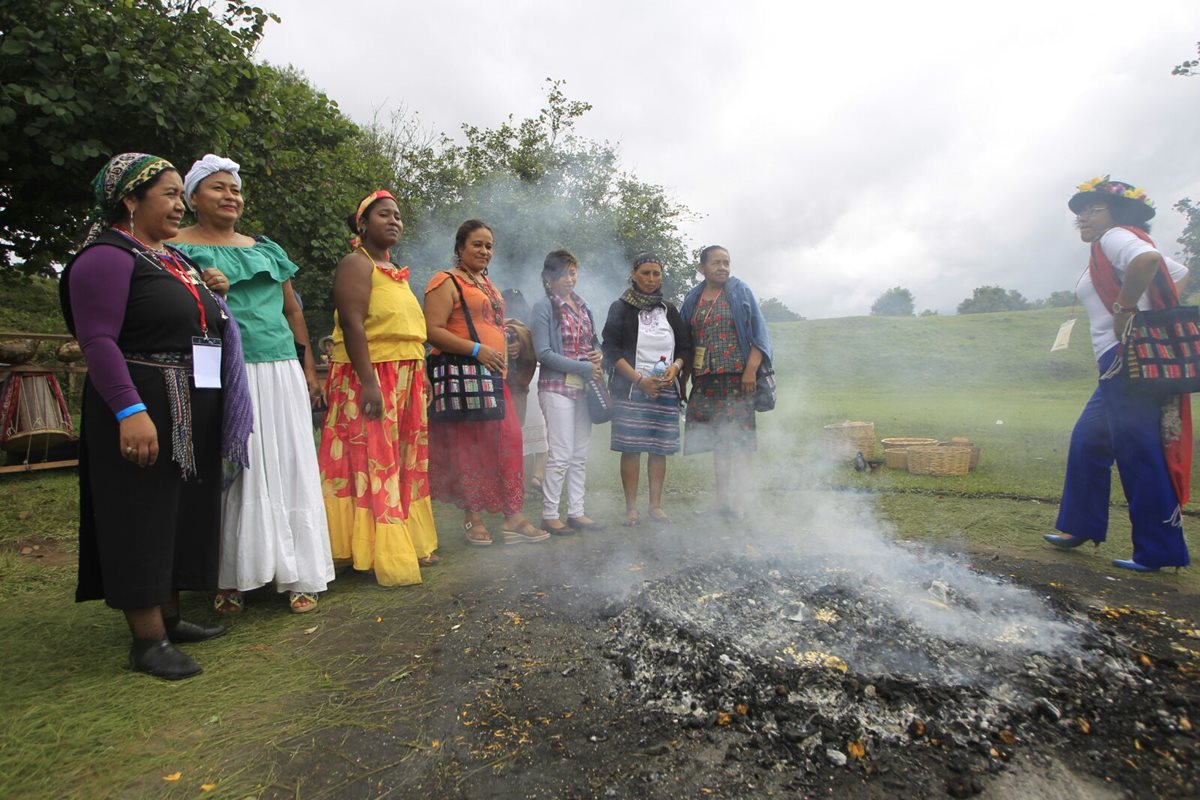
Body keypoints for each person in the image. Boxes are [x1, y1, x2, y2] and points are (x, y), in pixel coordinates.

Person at [60, 152, 253, 680]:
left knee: (177, 510)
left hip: (190, 400)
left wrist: (212, 293)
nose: (178, 203)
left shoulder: (168, 258)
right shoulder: (105, 257)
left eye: (177, 193)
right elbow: (96, 340)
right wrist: (129, 410)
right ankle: (147, 641)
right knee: (140, 514)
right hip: (143, 401)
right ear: (130, 201)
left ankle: (170, 617)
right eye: (167, 193)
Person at [172, 154, 334, 614]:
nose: (230, 196)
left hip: (280, 365)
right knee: (237, 466)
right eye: (218, 187)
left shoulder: (264, 248)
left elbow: (293, 311)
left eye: (235, 189)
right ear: (193, 197)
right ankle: (232, 577)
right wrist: (203, 288)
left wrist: (306, 367)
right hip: (222, 368)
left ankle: (300, 572)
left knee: (288, 463)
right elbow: (170, 309)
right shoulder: (177, 248)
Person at [1043, 176, 1191, 572]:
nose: (1083, 218)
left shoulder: (1115, 239)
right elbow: (1178, 273)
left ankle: (1158, 550)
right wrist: (1151, 308)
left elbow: (1149, 262)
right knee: (1088, 440)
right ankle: (1080, 525)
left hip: (1126, 359)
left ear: (1118, 212)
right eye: (1080, 212)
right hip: (1116, 364)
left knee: (1138, 452)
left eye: (1094, 209)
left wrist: (1128, 311)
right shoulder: (1107, 246)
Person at [317, 190, 440, 585]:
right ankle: (368, 550)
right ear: (362, 224)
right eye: (383, 215)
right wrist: (369, 383)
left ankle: (401, 539)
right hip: (370, 376)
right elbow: (353, 325)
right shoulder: (356, 263)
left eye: (398, 216)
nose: (393, 221)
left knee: (403, 458)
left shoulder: (395, 271)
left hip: (407, 375)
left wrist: (419, 382)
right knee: (373, 458)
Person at [425, 221, 547, 545]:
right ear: (460, 247)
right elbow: (432, 330)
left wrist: (507, 343)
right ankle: (472, 517)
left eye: (489, 246)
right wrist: (477, 349)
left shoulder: (487, 284)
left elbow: (486, 322)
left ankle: (513, 518)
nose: (484, 251)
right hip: (462, 375)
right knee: (469, 447)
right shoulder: (446, 281)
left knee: (509, 440)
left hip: (493, 376)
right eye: (477, 244)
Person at [680, 245, 772, 520]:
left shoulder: (739, 291)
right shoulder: (693, 298)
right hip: (707, 380)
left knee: (740, 442)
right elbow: (686, 342)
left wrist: (750, 371)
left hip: (738, 378)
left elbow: (759, 334)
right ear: (702, 268)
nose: (722, 267)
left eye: (726, 262)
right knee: (719, 443)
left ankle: (741, 502)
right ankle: (721, 502)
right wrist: (684, 381)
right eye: (716, 263)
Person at [602, 252, 692, 527]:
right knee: (632, 448)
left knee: (659, 448)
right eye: (646, 273)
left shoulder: (669, 309)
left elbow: (685, 347)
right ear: (633, 274)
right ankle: (631, 508)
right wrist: (639, 379)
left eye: (656, 274)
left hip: (665, 388)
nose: (651, 279)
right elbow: (610, 349)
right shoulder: (621, 307)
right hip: (632, 388)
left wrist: (675, 368)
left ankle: (655, 506)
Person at [530, 250, 606, 534]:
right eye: (562, 273)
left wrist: (597, 356)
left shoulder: (584, 307)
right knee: (560, 454)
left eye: (573, 272)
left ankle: (576, 511)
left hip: (582, 389)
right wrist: (585, 367)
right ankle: (550, 515)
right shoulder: (544, 307)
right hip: (556, 387)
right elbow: (544, 353)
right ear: (549, 278)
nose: (569, 278)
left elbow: (595, 343)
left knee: (579, 454)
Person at [502, 288, 548, 493]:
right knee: (540, 430)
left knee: (520, 431)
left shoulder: (500, 325)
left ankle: (522, 480)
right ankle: (538, 475)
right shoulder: (530, 326)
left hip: (515, 381)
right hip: (535, 376)